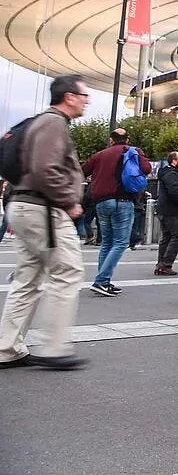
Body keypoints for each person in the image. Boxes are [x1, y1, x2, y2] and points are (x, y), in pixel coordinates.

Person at [0, 74, 90, 370]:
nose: (86, 101)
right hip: (45, 209)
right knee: (67, 271)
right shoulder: (54, 123)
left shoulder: (40, 121)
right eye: (83, 95)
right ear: (69, 97)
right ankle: (54, 347)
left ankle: (7, 347)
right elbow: (45, 169)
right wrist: (69, 200)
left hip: (25, 205)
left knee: (28, 279)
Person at [81, 127, 151, 296]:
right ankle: (101, 281)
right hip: (122, 200)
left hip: (101, 202)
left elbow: (82, 171)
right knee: (120, 243)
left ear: (111, 140)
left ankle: (104, 282)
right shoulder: (132, 151)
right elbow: (147, 169)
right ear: (127, 140)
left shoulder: (99, 155)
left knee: (106, 243)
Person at [155, 152, 178, 276]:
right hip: (173, 210)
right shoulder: (172, 174)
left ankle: (161, 264)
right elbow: (173, 191)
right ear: (174, 161)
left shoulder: (167, 173)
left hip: (164, 210)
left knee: (167, 237)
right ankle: (165, 265)